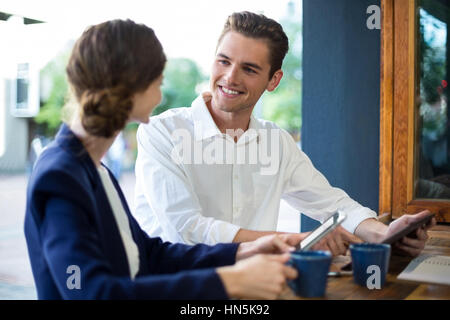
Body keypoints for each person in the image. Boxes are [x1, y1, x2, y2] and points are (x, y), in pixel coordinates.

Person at [24, 19, 303, 300]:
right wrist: (229, 282)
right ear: (133, 86)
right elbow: (88, 291)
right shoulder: (60, 176)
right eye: (159, 80)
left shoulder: (96, 171)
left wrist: (244, 250)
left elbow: (148, 254)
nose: (160, 92)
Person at [133, 11, 436, 257]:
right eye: (224, 61)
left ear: (273, 80)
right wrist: (298, 240)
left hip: (256, 288)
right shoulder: (162, 133)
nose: (230, 77)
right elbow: (187, 229)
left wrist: (387, 234)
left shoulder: (275, 142)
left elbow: (332, 203)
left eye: (249, 69)